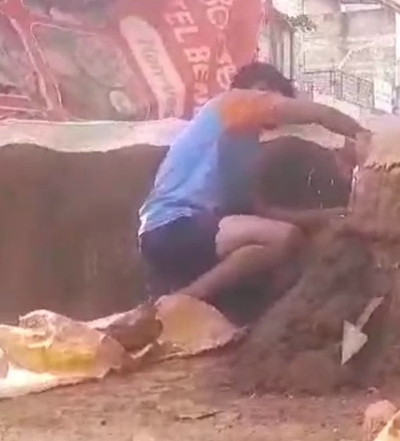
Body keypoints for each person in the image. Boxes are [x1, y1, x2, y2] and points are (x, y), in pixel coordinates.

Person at [137, 62, 372, 304]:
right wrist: (364, 136)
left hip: (181, 235)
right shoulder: (233, 103)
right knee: (284, 238)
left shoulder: (239, 142)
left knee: (275, 251)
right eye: (277, 99)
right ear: (261, 89)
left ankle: (232, 312)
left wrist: (333, 215)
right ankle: (185, 300)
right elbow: (321, 114)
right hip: (172, 227)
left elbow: (257, 212)